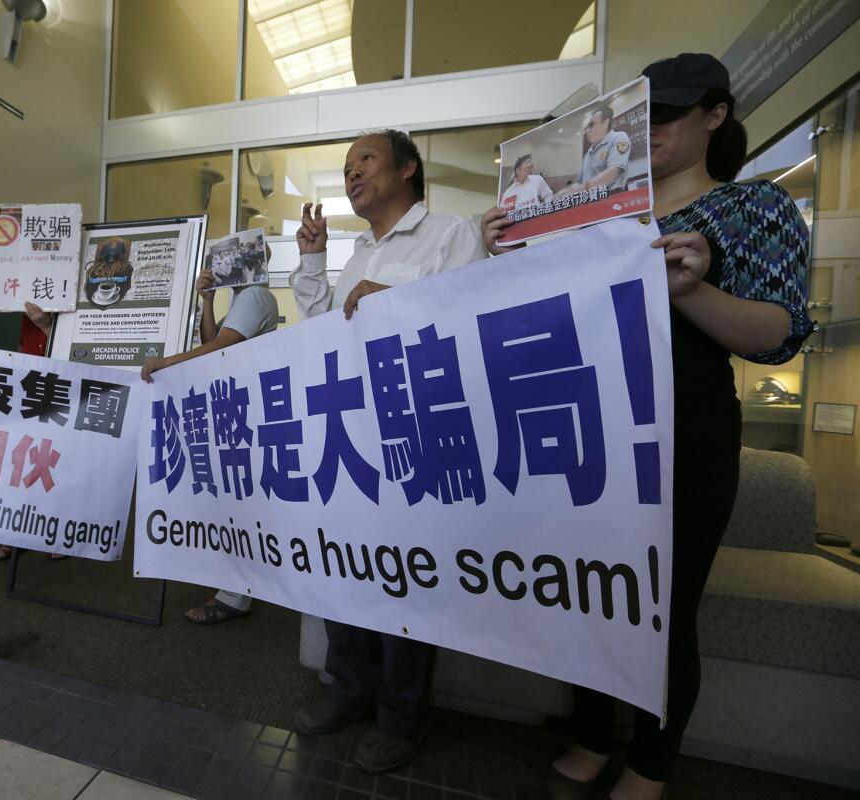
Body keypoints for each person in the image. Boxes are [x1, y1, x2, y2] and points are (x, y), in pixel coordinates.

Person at [483, 53, 811, 800]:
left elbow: (777, 331)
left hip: (681, 432)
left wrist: (689, 289)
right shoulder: (584, 217)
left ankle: (651, 760)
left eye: (669, 112)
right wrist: (500, 253)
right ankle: (595, 734)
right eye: (641, 114)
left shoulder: (750, 209)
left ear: (715, 115)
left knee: (662, 606)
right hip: (581, 426)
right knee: (584, 593)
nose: (652, 128)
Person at [289, 129, 486, 774]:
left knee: (405, 579)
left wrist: (394, 303)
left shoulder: (453, 235)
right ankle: (349, 689)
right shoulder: (358, 249)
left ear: (407, 168)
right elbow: (324, 326)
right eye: (345, 169)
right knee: (348, 569)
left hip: (418, 432)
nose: (350, 176)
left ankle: (401, 717)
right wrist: (315, 260)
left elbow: (467, 320)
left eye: (364, 161)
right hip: (352, 435)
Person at [140, 265, 279, 623]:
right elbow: (212, 343)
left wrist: (166, 363)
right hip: (235, 404)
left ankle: (236, 595)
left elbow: (219, 349)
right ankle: (239, 585)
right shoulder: (241, 298)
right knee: (238, 496)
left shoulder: (255, 295)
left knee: (243, 499)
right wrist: (207, 301)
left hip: (245, 407)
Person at [0, 301, 67, 562]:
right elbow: (25, 344)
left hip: (61, 385)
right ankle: (15, 533)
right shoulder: (29, 299)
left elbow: (81, 349)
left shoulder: (73, 298)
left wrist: (47, 326)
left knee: (54, 461)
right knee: (19, 458)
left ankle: (56, 533)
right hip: (28, 383)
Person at [558, 104, 631, 198]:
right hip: (590, 202)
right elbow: (579, 182)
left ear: (605, 123)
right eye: (586, 127)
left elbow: (613, 171)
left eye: (591, 125)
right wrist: (563, 193)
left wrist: (584, 187)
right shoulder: (588, 154)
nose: (587, 130)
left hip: (613, 198)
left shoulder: (619, 137)